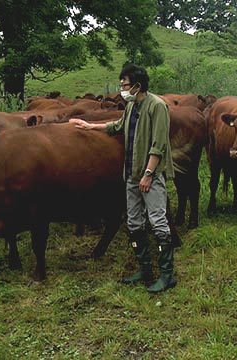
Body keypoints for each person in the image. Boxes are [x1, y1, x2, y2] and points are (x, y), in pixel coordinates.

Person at [70, 64, 176, 293]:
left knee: (157, 222)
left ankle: (167, 275)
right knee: (134, 223)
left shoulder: (157, 107)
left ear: (138, 86)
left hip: (150, 175)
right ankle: (145, 269)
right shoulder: (131, 106)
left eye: (125, 85)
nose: (122, 89)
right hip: (131, 174)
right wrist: (90, 127)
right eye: (121, 85)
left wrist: (148, 174)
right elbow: (117, 126)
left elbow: (158, 145)